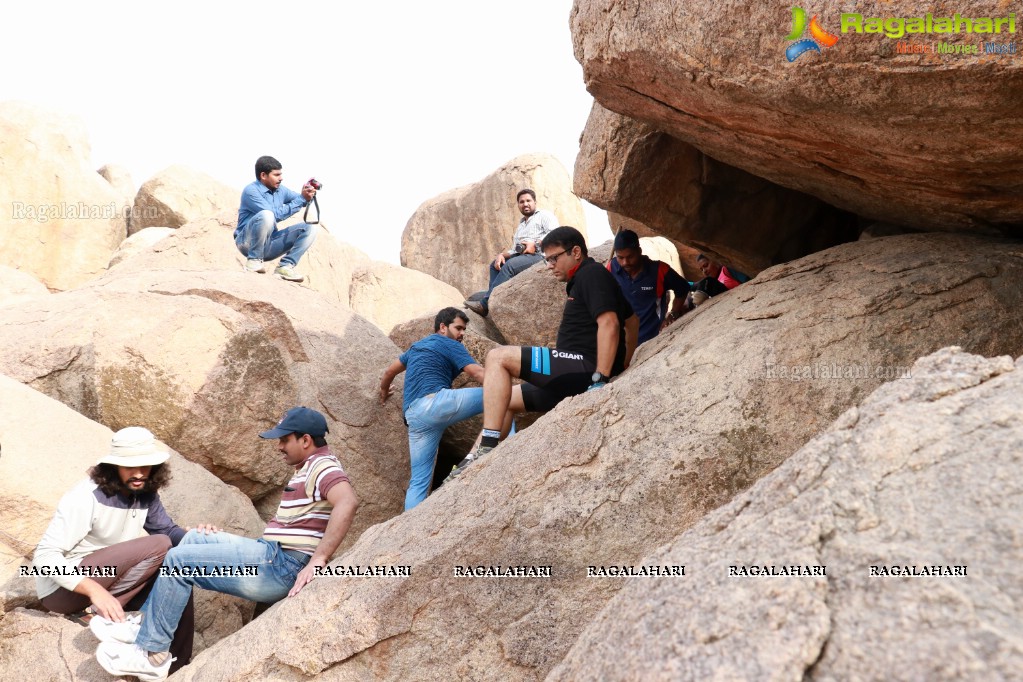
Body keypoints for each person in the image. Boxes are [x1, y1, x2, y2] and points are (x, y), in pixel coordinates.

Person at [94, 407, 359, 681]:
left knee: (179, 563)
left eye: (284, 440)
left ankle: (152, 653)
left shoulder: (322, 466)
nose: (279, 446)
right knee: (195, 538)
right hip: (271, 555)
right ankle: (147, 626)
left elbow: (348, 501)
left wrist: (319, 559)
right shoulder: (309, 466)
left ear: (305, 440)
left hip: (280, 567)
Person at [447, 227, 638, 481]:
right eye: (547, 259)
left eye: (553, 258)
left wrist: (601, 377)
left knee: (498, 357)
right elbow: (632, 319)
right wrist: (624, 362)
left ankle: (488, 443)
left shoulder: (592, 275)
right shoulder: (584, 279)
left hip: (582, 368)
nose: (549, 265)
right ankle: (472, 463)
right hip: (569, 372)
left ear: (576, 252)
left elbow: (611, 323)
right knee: (502, 397)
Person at [32, 427, 206, 674]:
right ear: (113, 467)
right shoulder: (86, 497)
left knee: (179, 571)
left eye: (145, 466)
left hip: (113, 585)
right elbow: (44, 556)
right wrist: (94, 592)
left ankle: (175, 667)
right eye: (129, 466)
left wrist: (202, 539)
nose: (138, 473)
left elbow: (169, 531)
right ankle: (93, 614)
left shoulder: (145, 493)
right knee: (159, 545)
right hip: (65, 592)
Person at [379, 307, 486, 510]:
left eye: (464, 330)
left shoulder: (416, 347)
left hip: (414, 417)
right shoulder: (448, 343)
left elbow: (389, 371)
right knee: (502, 396)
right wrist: (507, 382)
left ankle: (408, 532)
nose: (462, 334)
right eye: (459, 328)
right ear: (443, 327)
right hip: (434, 402)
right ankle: (506, 442)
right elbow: (478, 373)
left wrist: (384, 392)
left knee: (419, 482)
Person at [465, 188, 559, 317]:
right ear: (518, 205)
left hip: (540, 256)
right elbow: (515, 249)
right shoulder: (521, 225)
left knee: (510, 266)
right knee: (495, 265)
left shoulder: (544, 216)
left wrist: (535, 244)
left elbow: (555, 234)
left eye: (528, 201)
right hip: (522, 256)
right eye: (521, 202)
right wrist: (502, 255)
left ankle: (485, 305)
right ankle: (493, 300)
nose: (525, 204)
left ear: (535, 202)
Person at [234, 155, 318, 282]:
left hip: (269, 244)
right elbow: (274, 215)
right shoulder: (251, 191)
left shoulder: (281, 190)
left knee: (310, 228)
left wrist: (307, 195)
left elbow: (299, 199)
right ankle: (254, 260)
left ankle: (285, 267)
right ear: (263, 175)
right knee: (267, 215)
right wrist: (301, 200)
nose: (281, 178)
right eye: (276, 175)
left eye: (281, 174)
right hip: (246, 243)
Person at [607, 229, 691, 344]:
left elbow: (682, 288)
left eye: (630, 256)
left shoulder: (660, 270)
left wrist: (673, 313)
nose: (625, 262)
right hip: (621, 341)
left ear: (639, 251)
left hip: (651, 340)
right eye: (620, 257)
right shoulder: (611, 268)